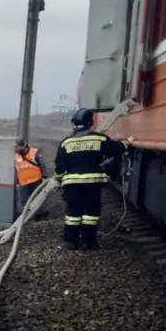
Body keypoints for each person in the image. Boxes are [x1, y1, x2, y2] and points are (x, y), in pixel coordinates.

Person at [54, 108, 134, 251]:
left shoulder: (66, 142)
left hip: (72, 185)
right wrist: (127, 143)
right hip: (92, 184)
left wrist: (60, 179)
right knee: (90, 214)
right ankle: (87, 243)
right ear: (90, 122)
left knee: (73, 214)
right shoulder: (99, 138)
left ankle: (71, 242)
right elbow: (115, 150)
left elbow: (60, 167)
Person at [14, 138, 46, 220]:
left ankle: (39, 216)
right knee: (24, 201)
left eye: (17, 147)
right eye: (15, 147)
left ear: (23, 146)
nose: (16, 149)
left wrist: (44, 176)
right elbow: (16, 169)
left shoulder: (34, 152)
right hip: (23, 182)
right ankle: (27, 217)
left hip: (36, 181)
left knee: (37, 199)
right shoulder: (16, 155)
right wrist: (16, 182)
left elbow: (42, 165)